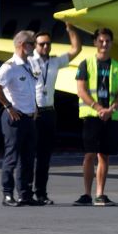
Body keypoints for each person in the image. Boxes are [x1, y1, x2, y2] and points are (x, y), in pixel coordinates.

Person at [27, 23, 82, 205]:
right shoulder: (28, 62)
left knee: (44, 156)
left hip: (49, 112)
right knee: (28, 153)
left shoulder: (55, 62)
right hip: (32, 113)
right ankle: (25, 191)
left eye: (48, 44)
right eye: (41, 44)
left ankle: (41, 192)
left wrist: (71, 29)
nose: (45, 47)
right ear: (35, 45)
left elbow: (76, 49)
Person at [0, 31, 40, 206]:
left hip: (28, 117)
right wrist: (8, 106)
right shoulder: (9, 66)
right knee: (12, 156)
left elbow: (30, 89)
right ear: (22, 45)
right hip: (15, 116)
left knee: (28, 157)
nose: (34, 46)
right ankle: (7, 194)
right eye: (32, 43)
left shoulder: (28, 65)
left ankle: (25, 194)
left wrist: (34, 108)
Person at [74, 28, 118, 206]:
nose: (104, 44)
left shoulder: (117, 66)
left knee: (105, 155)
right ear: (95, 42)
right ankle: (86, 193)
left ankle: (100, 194)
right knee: (89, 154)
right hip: (92, 115)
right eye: (101, 41)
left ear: (111, 43)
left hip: (110, 116)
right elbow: (81, 90)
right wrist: (98, 107)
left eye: (107, 41)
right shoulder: (85, 64)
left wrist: (111, 109)